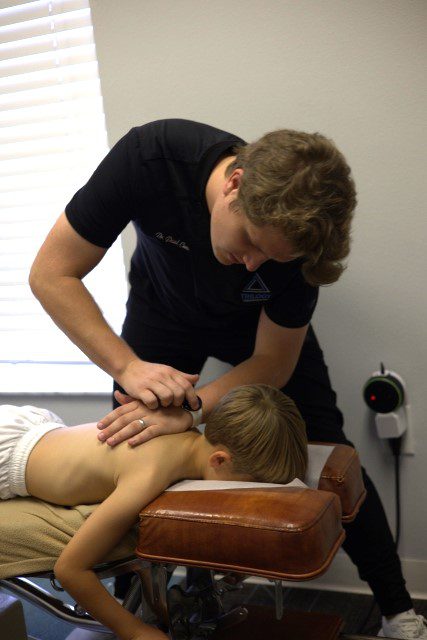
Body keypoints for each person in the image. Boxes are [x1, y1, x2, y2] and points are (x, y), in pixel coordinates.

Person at [29, 119, 426, 639]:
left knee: (329, 450)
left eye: (272, 259)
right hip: (164, 310)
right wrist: (128, 368)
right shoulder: (152, 157)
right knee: (135, 444)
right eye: (249, 241)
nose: (252, 263)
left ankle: (398, 612)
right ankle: (125, 609)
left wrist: (193, 407)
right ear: (234, 183)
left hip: (255, 333)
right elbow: (51, 272)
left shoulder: (297, 252)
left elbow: (272, 366)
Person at [0, 383, 308, 640]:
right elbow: (71, 569)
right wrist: (135, 631)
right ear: (219, 460)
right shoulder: (149, 473)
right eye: (249, 487)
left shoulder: (185, 442)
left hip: (37, 432)